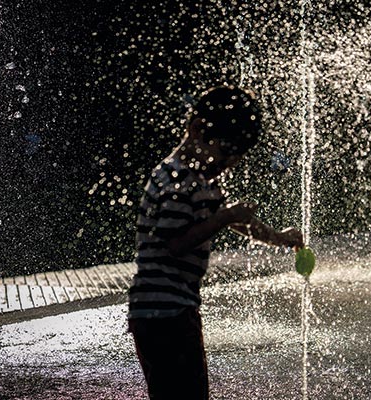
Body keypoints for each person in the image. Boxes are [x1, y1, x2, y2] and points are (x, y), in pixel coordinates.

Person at [127, 85, 304, 399]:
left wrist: (277, 238)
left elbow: (233, 220)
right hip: (165, 314)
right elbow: (174, 244)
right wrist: (223, 218)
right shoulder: (177, 180)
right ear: (196, 130)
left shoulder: (197, 178)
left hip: (167, 310)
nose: (229, 164)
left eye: (237, 157)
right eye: (225, 152)